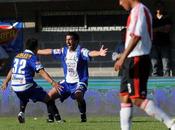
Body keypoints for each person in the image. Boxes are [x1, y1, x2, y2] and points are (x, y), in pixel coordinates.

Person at [115, 0, 175, 130]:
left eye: (120, 0)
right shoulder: (136, 11)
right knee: (124, 96)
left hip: (137, 58)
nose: (120, 3)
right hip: (130, 58)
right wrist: (123, 56)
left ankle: (171, 124)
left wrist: (123, 57)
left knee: (137, 99)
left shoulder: (139, 10)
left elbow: (136, 37)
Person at [37, 32, 108, 122]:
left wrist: (99, 53)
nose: (68, 42)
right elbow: (50, 51)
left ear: (76, 41)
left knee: (78, 95)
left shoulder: (81, 51)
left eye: (70, 39)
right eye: (66, 39)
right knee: (48, 96)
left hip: (80, 81)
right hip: (67, 83)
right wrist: (37, 51)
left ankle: (83, 116)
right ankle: (52, 118)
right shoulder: (63, 51)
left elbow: (90, 53)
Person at [1, 38, 63, 123]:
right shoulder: (32, 57)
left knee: (24, 97)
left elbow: (12, 70)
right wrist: (53, 82)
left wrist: (6, 81)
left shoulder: (17, 56)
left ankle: (21, 113)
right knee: (48, 98)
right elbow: (41, 71)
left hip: (15, 86)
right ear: (36, 47)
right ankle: (59, 120)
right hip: (26, 85)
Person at [151, 1, 172, 76]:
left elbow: (167, 30)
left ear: (163, 7)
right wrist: (162, 28)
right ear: (155, 8)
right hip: (154, 44)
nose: (159, 8)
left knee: (166, 65)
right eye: (157, 6)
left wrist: (156, 29)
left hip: (165, 44)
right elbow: (150, 30)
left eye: (160, 6)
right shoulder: (152, 18)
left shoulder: (167, 17)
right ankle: (154, 83)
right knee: (154, 64)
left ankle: (168, 85)